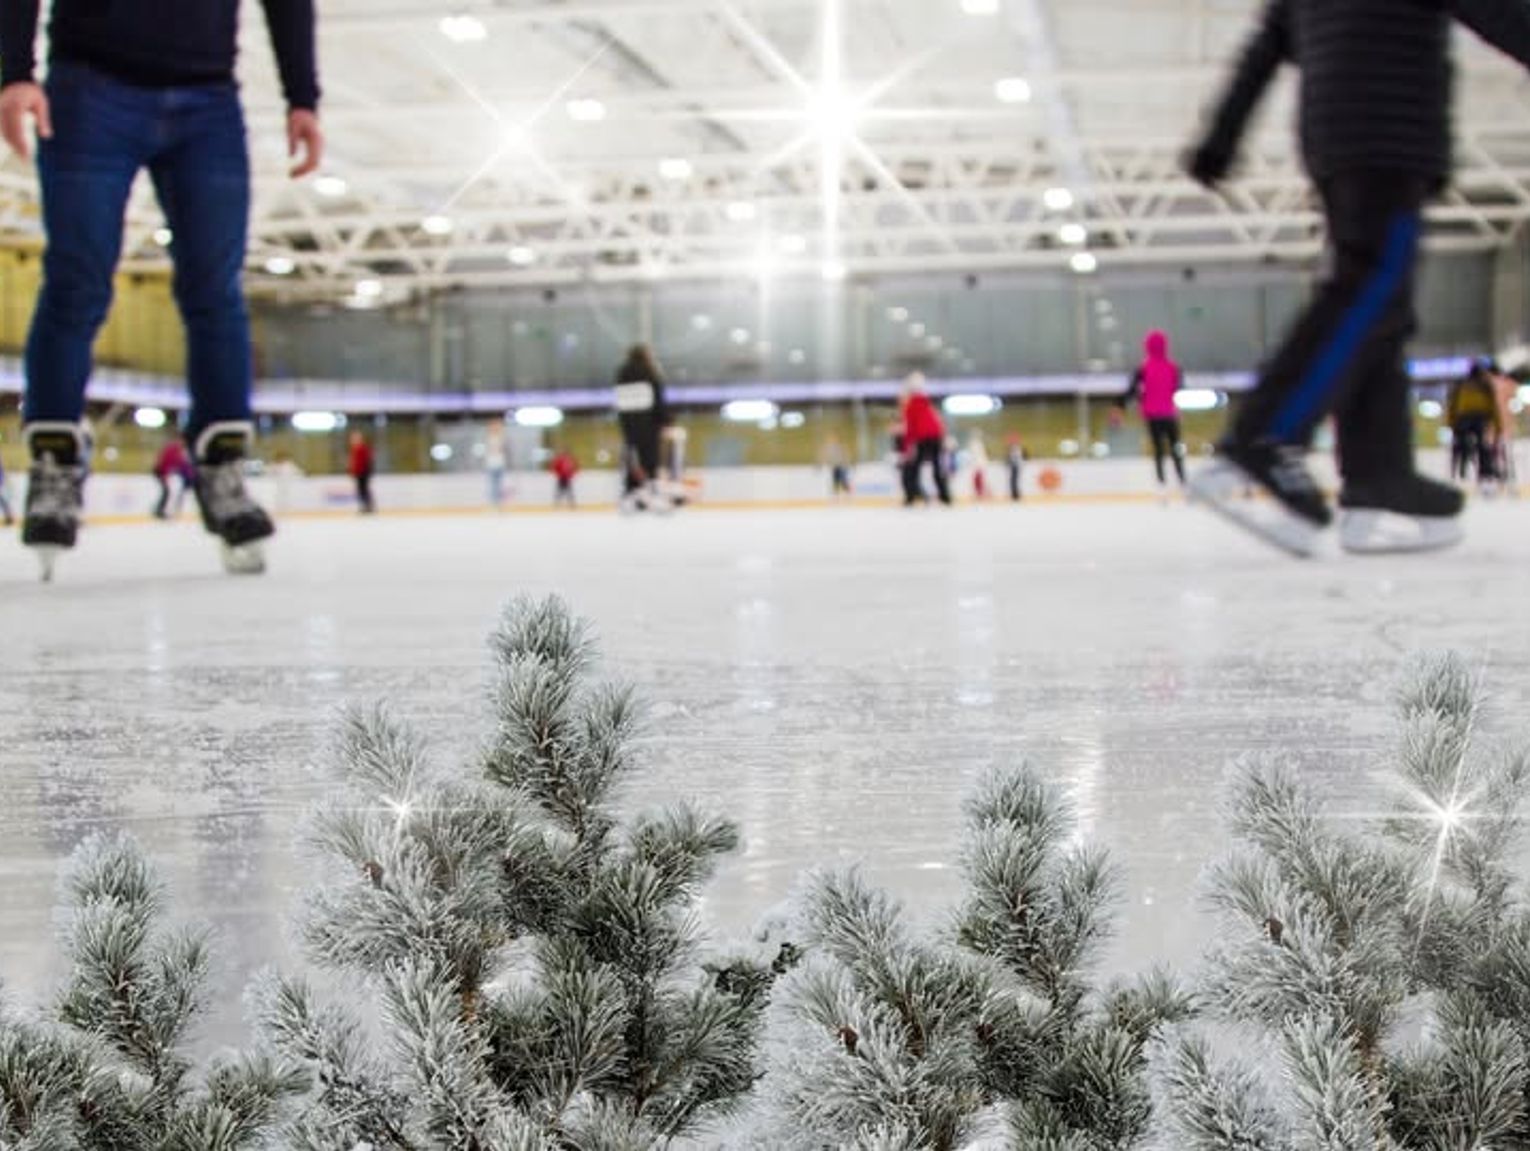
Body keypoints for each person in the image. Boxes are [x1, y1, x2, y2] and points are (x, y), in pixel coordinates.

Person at [1184, 0, 1530, 557]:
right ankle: (1268, 435)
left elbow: (1265, 48)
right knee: (1367, 292)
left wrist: (1221, 137)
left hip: (1334, 139)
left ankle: (1378, 478)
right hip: (1388, 136)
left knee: (1382, 308)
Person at [0, 0, 323, 577]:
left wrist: (303, 94)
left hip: (208, 97)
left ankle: (222, 466)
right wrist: (15, 71)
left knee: (216, 290)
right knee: (77, 280)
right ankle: (53, 466)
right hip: (88, 84)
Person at [1117, 330, 1186, 493]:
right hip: (1169, 413)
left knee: (1159, 448)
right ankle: (1182, 480)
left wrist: (1123, 405)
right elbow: (1179, 387)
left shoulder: (1143, 369)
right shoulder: (1173, 367)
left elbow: (1132, 391)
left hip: (1152, 415)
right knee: (1175, 446)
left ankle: (1162, 482)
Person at [614, 343, 671, 512]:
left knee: (632, 457)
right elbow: (658, 398)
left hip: (629, 424)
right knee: (650, 458)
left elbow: (620, 401)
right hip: (649, 423)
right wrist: (664, 420)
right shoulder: (650, 372)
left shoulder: (622, 373)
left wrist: (624, 422)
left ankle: (630, 494)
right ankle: (653, 494)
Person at [1447, 361, 1502, 486]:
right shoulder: (1485, 385)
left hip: (1463, 419)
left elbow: (1452, 406)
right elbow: (1493, 407)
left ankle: (1461, 467)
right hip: (1479, 418)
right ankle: (1485, 471)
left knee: (1462, 445)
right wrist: (1498, 425)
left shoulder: (1461, 385)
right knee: (1483, 447)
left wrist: (1451, 422)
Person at [900, 374, 951, 507]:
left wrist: (907, 448)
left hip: (923, 437)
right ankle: (945, 496)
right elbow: (938, 423)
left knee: (912, 467)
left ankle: (910, 496)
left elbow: (910, 428)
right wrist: (943, 437)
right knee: (936, 466)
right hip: (935, 437)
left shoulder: (910, 405)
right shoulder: (927, 403)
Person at [151, 436, 193, 520]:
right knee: (166, 492)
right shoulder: (174, 449)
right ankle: (159, 511)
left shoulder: (176, 449)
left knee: (166, 492)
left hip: (161, 471)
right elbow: (169, 462)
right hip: (160, 471)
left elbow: (178, 463)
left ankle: (159, 511)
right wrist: (165, 476)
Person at [348, 431, 375, 515]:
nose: (353, 440)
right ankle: (364, 506)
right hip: (358, 473)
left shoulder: (363, 448)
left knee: (364, 490)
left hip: (364, 472)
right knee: (360, 490)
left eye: (355, 438)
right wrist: (352, 471)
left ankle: (368, 506)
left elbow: (368, 460)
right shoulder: (354, 449)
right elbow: (353, 462)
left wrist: (367, 471)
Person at [485, 419, 510, 511]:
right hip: (491, 465)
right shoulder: (489, 438)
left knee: (500, 485)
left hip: (500, 464)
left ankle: (500, 505)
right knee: (492, 486)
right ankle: (493, 505)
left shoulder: (502, 438)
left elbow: (503, 449)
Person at [967, 431, 990, 500]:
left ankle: (981, 494)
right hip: (977, 465)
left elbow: (980, 456)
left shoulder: (978, 444)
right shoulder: (975, 444)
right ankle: (979, 493)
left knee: (979, 480)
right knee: (977, 480)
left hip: (979, 464)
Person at [1006, 435, 1026, 503]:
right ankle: (1014, 494)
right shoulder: (1014, 448)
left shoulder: (1016, 448)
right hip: (1014, 466)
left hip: (1016, 465)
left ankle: (1015, 495)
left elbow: (1016, 457)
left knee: (1014, 481)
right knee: (1013, 481)